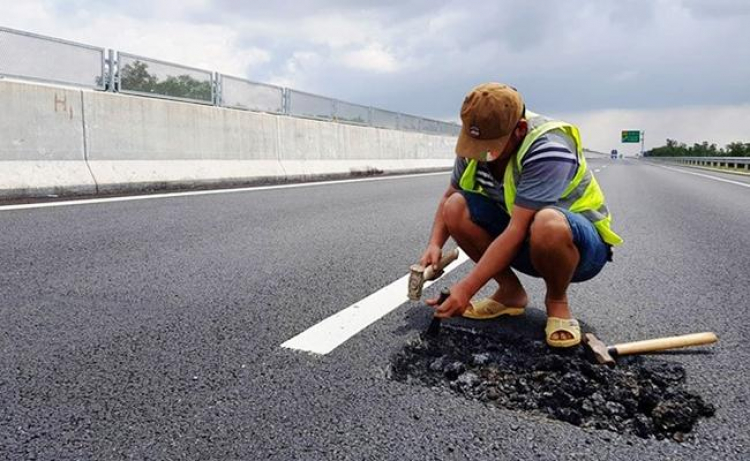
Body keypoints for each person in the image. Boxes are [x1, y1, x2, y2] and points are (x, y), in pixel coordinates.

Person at [420, 82, 623, 347]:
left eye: (491, 147)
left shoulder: (549, 148)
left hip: (577, 248)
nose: (482, 154)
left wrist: (466, 289)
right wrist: (434, 244)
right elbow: (450, 195)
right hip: (525, 239)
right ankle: (510, 294)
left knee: (547, 222)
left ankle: (557, 302)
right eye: (475, 143)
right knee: (455, 207)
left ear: (520, 130)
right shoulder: (475, 143)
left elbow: (517, 230)